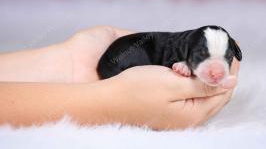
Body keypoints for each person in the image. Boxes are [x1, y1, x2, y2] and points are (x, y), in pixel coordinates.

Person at [0, 25, 239, 130]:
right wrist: (109, 102)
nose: (216, 70)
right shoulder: (175, 48)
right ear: (187, 49)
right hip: (120, 60)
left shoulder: (185, 45)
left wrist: (69, 59)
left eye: (226, 58)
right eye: (201, 56)